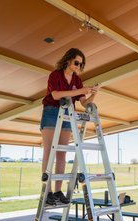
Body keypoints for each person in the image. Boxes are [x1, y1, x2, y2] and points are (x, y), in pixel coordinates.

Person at [40, 48, 99, 205]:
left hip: (68, 114)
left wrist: (93, 93)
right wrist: (81, 90)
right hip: (52, 112)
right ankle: (48, 192)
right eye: (77, 62)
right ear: (68, 60)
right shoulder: (55, 75)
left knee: (62, 154)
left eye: (82, 64)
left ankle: (58, 191)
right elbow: (56, 95)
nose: (79, 66)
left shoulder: (77, 81)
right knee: (49, 152)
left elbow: (84, 102)